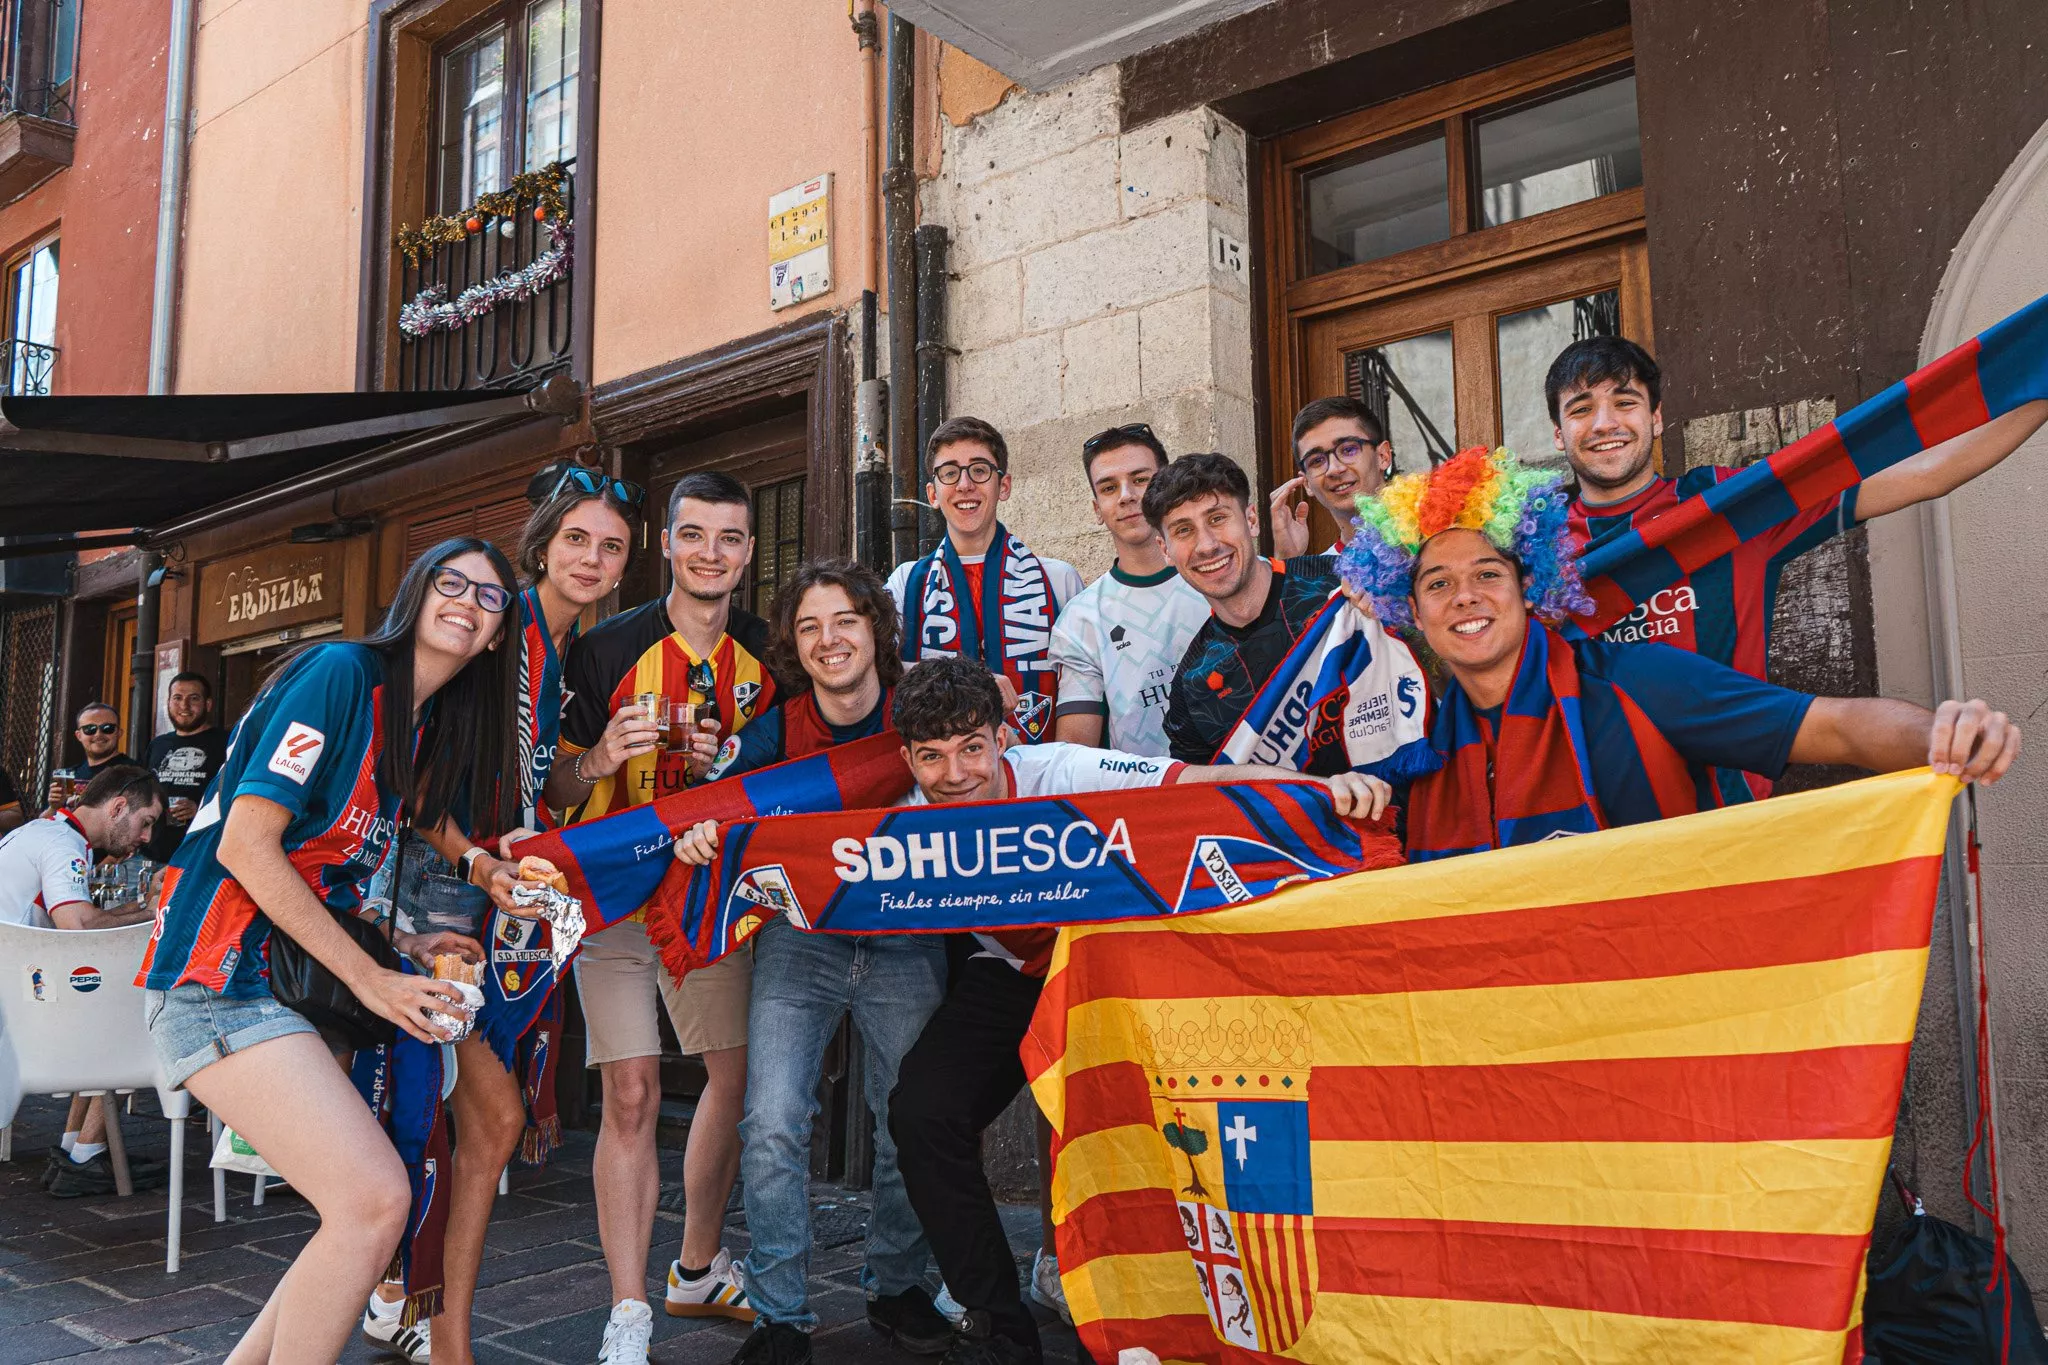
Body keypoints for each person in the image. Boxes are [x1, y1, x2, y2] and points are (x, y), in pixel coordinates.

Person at [685, 657, 1390, 1365]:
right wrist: (709, 838)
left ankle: (1164, 1304)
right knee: (921, 1112)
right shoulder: (900, 818)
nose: (955, 772)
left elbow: (1199, 783)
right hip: (1008, 975)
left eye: (971, 748)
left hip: (1101, 963)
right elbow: (782, 839)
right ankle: (997, 1321)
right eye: (931, 756)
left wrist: (1323, 789)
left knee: (1133, 1126)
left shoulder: (1061, 772)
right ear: (907, 758)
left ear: (1003, 740)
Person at [138, 538, 520, 1365]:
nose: (467, 600)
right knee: (374, 1201)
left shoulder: (411, 727)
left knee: (356, 1211)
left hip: (276, 986)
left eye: (490, 597)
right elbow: (247, 843)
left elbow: (332, 881)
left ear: (498, 634)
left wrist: (405, 941)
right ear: (415, 593)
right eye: (451, 581)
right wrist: (376, 978)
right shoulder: (342, 675)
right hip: (216, 979)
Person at [1336, 447, 2022, 860]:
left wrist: (1942, 732)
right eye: (1438, 583)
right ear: (1414, 613)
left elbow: (1834, 725)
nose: (1465, 596)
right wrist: (1337, 796)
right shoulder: (1415, 749)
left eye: (1487, 573)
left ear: (1528, 586)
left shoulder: (1638, 682)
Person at [360, 465, 642, 1365]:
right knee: (461, 1119)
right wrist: (477, 861)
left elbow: (539, 786)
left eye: (611, 547)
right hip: (423, 901)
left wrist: (596, 755)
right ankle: (414, 1312)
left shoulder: (559, 654)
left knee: (485, 1122)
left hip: (487, 903)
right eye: (577, 540)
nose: (593, 558)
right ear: (543, 545)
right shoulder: (493, 628)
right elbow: (412, 783)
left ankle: (420, 1314)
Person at [546, 469, 773, 1362]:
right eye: (693, 535)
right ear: (666, 545)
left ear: (748, 552)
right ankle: (629, 1307)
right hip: (614, 902)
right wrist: (601, 751)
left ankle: (696, 1265)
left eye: (728, 537)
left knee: (734, 1073)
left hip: (711, 899)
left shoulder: (770, 654)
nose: (710, 553)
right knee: (630, 1093)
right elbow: (555, 785)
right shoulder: (605, 651)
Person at [704, 560, 953, 1365]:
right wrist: (700, 829)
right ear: (793, 645)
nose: (827, 639)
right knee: (772, 1120)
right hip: (800, 935)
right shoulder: (775, 730)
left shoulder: (922, 704)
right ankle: (780, 1315)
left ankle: (898, 1285)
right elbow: (714, 807)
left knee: (903, 1120)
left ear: (874, 627)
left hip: (907, 936)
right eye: (808, 626)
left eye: (843, 620)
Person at [1551, 336, 2048, 683]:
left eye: (1625, 402)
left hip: (1729, 811)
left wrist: (2040, 392)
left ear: (1656, 418)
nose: (1604, 423)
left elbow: (1927, 473)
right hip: (1590, 823)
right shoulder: (1530, 551)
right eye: (1580, 409)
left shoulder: (1728, 503)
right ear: (1558, 433)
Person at [1150, 453, 1409, 772]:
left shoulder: (1341, 580)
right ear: (1165, 550)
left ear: (1252, 520)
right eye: (1183, 530)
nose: (1206, 545)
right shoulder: (1192, 689)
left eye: (1217, 518)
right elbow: (1208, 805)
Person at [3, 764, 166, 1197]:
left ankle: (79, 1149)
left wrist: (143, 909)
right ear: (117, 807)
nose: (146, 837)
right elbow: (77, 928)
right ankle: (85, 1153)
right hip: (15, 1011)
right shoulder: (62, 843)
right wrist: (157, 910)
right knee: (130, 1012)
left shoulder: (48, 830)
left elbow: (77, 923)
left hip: (16, 992)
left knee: (102, 998)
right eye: (145, 822)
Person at [887, 416, 1084, 744]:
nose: (965, 485)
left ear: (1002, 486)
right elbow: (877, 677)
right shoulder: (906, 583)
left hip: (1037, 771)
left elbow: (1081, 688)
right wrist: (959, 681)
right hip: (943, 772)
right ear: (933, 494)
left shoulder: (1058, 579)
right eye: (950, 472)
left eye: (979, 470)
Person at [1046, 423, 1209, 756]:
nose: (1126, 496)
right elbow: (1075, 753)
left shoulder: (1221, 575)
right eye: (1108, 487)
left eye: (1140, 479)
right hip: (1148, 799)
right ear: (1096, 509)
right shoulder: (1081, 620)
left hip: (1246, 790)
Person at [1268, 396, 1397, 557]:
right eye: (1317, 460)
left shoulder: (1433, 542)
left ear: (1383, 456)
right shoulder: (1314, 579)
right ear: (1307, 483)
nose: (1334, 469)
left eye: (1348, 450)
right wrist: (1290, 564)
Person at [142, 672, 230, 865]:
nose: (184, 706)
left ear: (208, 704)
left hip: (202, 858)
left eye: (194, 698)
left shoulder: (228, 743)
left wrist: (201, 808)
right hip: (152, 856)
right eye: (178, 698)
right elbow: (142, 794)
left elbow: (240, 796)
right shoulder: (158, 745)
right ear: (168, 702)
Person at [48, 701, 131, 807]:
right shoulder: (68, 776)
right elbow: (46, 820)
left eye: (107, 728)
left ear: (119, 733)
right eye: (89, 729)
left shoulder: (134, 774)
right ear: (79, 736)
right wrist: (54, 807)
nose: (98, 734)